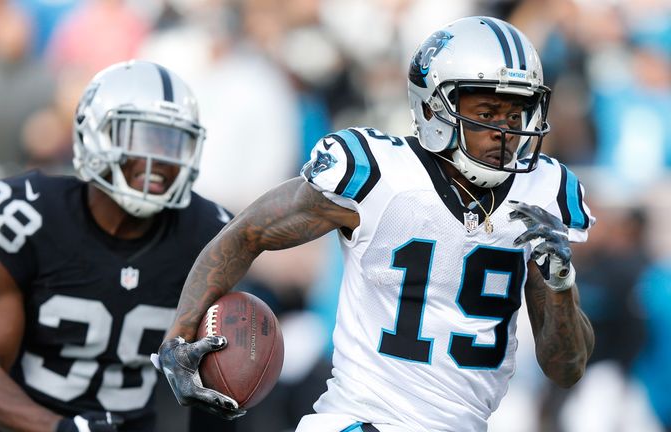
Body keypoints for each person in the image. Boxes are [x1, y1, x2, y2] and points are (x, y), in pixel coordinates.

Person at [152, 16, 596, 431]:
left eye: (514, 114)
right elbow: (246, 232)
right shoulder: (379, 174)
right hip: (363, 420)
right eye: (485, 113)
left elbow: (566, 368)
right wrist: (177, 337)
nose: (504, 132)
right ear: (435, 107)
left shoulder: (544, 192)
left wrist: (559, 285)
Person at [0, 60, 237, 432]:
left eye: (173, 142)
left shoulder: (207, 233)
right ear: (94, 135)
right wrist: (62, 429)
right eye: (140, 137)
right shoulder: (29, 218)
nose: (160, 160)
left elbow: (214, 378)